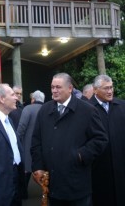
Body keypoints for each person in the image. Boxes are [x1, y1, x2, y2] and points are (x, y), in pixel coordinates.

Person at [31, 73, 108, 206]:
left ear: (70, 88)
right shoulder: (45, 110)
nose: (54, 91)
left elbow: (100, 139)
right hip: (53, 186)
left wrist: (79, 155)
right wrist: (38, 166)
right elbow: (36, 141)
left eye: (58, 87)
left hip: (77, 185)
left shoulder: (87, 110)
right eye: (52, 87)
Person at [88, 74, 125, 206]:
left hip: (120, 168)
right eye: (106, 88)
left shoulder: (121, 106)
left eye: (111, 87)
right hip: (98, 170)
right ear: (95, 89)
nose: (110, 91)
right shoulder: (86, 109)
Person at [17, 90, 45, 199]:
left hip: (29, 145)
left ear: (33, 99)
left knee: (26, 171)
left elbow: (21, 128)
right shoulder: (47, 108)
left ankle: (23, 194)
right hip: (45, 146)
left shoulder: (28, 108)